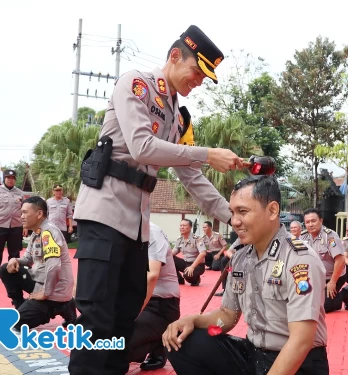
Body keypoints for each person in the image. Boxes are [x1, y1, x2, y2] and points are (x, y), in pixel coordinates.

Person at [69, 25, 242, 375]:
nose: (199, 81)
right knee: (96, 316)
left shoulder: (178, 117)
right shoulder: (136, 85)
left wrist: (234, 217)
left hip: (137, 228)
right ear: (175, 56)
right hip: (104, 213)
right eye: (197, 71)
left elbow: (190, 174)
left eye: (205, 77)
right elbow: (141, 146)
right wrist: (207, 153)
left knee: (123, 318)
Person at [163, 175, 330, 375]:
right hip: (254, 355)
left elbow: (301, 341)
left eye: (243, 211)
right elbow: (228, 316)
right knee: (182, 340)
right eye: (232, 212)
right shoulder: (241, 256)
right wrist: (191, 321)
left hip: (299, 363)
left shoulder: (299, 259)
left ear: (272, 210)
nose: (235, 221)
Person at [0, 196, 76, 330]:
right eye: (21, 212)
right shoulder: (36, 232)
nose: (21, 216)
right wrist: (14, 259)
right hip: (40, 282)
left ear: (39, 214)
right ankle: (21, 306)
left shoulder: (48, 233)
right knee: (6, 269)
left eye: (25, 212)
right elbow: (28, 260)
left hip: (54, 289)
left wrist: (45, 293)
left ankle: (62, 306)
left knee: (17, 324)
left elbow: (54, 266)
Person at [128, 222, 180, 371]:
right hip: (138, 299)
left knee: (119, 342)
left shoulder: (151, 232)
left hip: (161, 305)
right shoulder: (123, 231)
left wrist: (131, 315)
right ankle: (153, 341)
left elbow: (152, 275)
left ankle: (159, 342)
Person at [301, 208, 348, 312]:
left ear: (321, 221)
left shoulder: (330, 236)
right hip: (315, 278)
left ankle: (345, 293)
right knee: (303, 300)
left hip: (333, 276)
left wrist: (333, 282)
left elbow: (340, 260)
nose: (310, 224)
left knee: (325, 306)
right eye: (307, 222)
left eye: (313, 221)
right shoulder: (303, 237)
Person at [0, 169, 24, 283]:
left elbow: (25, 210)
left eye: (13, 178)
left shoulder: (20, 193)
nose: (11, 180)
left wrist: (25, 226)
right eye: (8, 178)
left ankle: (12, 273)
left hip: (16, 226)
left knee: (14, 252)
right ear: (4, 179)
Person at [172, 219, 207, 286]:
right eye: (181, 225)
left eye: (184, 225)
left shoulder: (197, 239)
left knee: (188, 276)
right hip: (185, 263)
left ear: (190, 227)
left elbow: (203, 253)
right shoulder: (179, 239)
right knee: (168, 258)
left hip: (197, 265)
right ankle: (179, 279)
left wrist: (192, 267)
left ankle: (196, 279)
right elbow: (175, 250)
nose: (182, 227)